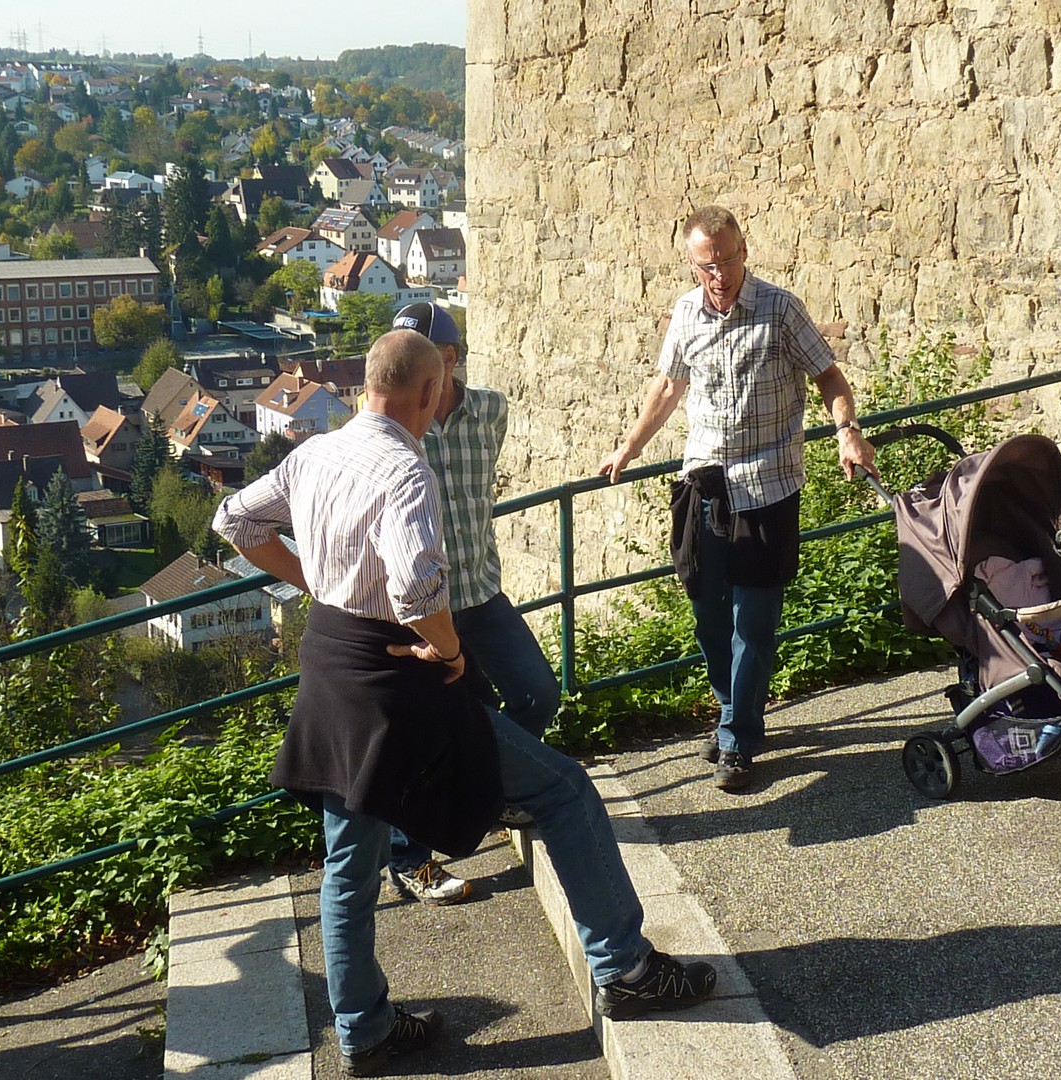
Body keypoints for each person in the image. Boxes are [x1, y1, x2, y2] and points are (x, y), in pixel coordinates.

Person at [215, 330, 716, 1076]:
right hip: (398, 677)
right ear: (427, 392)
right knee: (564, 791)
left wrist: (314, 580)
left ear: (365, 386)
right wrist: (450, 652)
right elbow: (418, 589)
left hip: (329, 663)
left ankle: (364, 1033)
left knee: (348, 865)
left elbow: (234, 521)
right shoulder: (404, 468)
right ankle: (626, 969)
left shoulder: (315, 453)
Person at [599, 205, 878, 793]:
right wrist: (628, 447)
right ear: (691, 264)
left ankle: (739, 738)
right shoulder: (686, 311)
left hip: (768, 485)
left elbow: (829, 377)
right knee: (707, 613)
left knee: (753, 618)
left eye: (727, 261)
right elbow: (668, 385)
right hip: (704, 484)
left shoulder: (780, 309)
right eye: (707, 265)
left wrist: (847, 431)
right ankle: (732, 710)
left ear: (743, 252)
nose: (719, 275)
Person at [374, 300, 561, 907]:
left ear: (449, 360)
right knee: (421, 732)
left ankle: (494, 792)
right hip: (421, 610)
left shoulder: (491, 412)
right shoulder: (387, 429)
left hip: (480, 593)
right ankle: (409, 859)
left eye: (419, 357)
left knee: (538, 693)